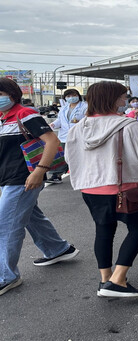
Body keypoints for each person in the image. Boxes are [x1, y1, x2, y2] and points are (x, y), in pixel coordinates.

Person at [65, 81, 138, 298]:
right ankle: (118, 279)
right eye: (123, 96)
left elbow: (70, 159)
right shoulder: (128, 125)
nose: (126, 100)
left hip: (90, 189)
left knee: (104, 229)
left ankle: (105, 279)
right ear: (113, 99)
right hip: (125, 188)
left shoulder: (78, 128)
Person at [0, 77, 79, 296]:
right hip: (10, 178)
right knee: (29, 216)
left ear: (12, 94)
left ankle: (6, 276)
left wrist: (40, 171)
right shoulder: (3, 117)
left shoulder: (25, 114)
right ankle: (57, 249)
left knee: (5, 225)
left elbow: (52, 141)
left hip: (24, 177)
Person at [47, 89, 87, 184]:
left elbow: (87, 120)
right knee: (61, 156)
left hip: (79, 136)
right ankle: (56, 175)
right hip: (64, 136)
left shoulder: (85, 107)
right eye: (68, 96)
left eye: (73, 95)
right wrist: (52, 125)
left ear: (78, 96)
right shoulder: (64, 108)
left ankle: (82, 175)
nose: (71, 98)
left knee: (78, 156)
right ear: (65, 98)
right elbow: (60, 120)